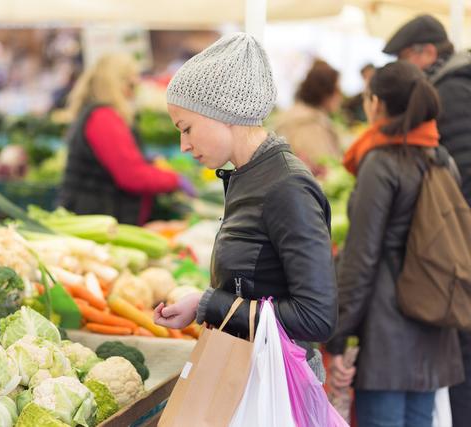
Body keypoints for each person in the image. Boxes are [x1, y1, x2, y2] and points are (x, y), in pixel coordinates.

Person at [153, 33, 338, 381]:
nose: (184, 145)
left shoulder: (286, 186)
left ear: (224, 113)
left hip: (277, 385)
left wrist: (210, 303)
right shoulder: (248, 174)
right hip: (250, 373)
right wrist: (201, 303)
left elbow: (317, 317)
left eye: (187, 128)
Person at [325, 61, 464, 427]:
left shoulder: (381, 163)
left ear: (376, 104)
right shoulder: (442, 159)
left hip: (388, 337)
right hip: (433, 326)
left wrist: (338, 338)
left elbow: (360, 258)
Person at [382, 18, 471, 424]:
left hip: (459, 250)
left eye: (405, 60)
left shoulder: (451, 91)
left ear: (427, 53)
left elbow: (461, 178)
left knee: (464, 363)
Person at [58, 54, 195, 225]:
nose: (136, 88)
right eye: (133, 82)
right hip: (97, 218)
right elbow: (132, 176)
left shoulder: (101, 115)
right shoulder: (103, 118)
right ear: (119, 83)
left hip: (98, 215)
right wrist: (174, 180)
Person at [274, 59, 343, 173]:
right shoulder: (309, 124)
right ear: (325, 92)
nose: (340, 95)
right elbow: (322, 169)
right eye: (337, 89)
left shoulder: (299, 115)